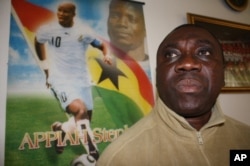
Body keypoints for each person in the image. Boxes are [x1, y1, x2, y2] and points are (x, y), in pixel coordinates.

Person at [96, 24, 250, 165]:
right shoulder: (120, 158)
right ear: (158, 77)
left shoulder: (245, 139)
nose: (188, 63)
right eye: (171, 55)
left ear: (223, 74)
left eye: (204, 52)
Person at [34, 2, 111, 160]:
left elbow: (101, 45)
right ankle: (94, 154)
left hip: (82, 80)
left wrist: (106, 54)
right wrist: (46, 69)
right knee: (80, 110)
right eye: (59, 11)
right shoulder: (48, 30)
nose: (61, 14)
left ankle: (61, 129)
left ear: (73, 15)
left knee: (85, 120)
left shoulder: (83, 31)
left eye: (65, 12)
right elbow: (38, 41)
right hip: (59, 79)